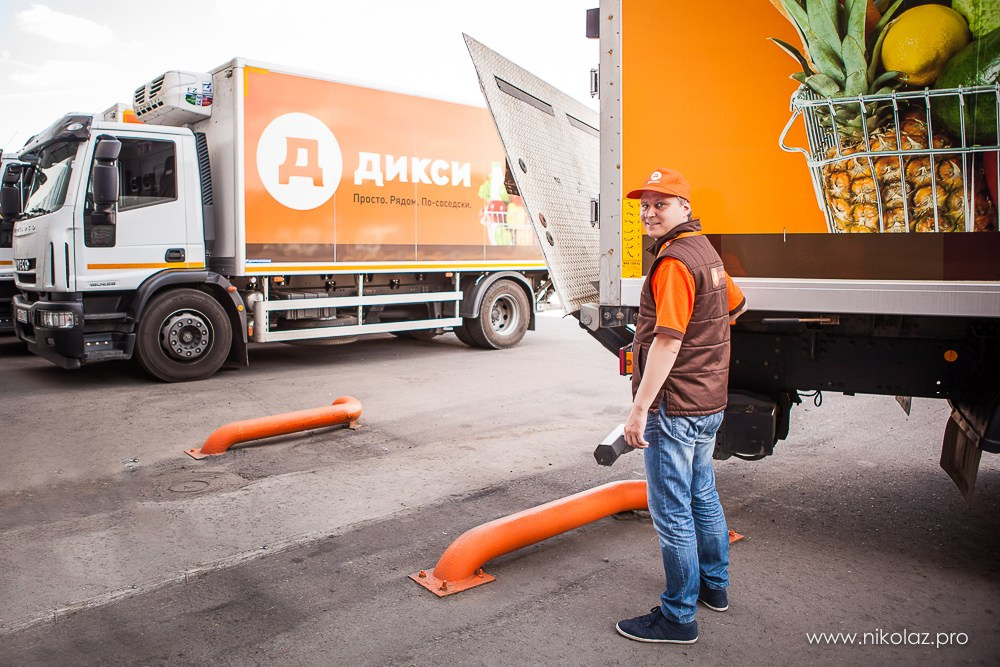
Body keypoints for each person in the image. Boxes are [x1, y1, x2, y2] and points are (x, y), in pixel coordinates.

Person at [615, 168, 747, 644]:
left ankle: (678, 617)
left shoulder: (673, 263)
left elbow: (668, 342)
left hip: (675, 407)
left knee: (672, 511)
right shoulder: (704, 250)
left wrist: (639, 410)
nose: (650, 213)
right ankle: (714, 587)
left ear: (685, 208)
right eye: (645, 205)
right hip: (708, 401)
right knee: (702, 494)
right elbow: (736, 306)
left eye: (661, 204)